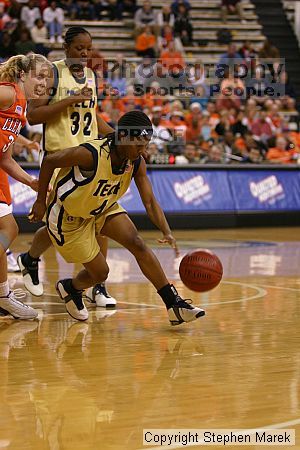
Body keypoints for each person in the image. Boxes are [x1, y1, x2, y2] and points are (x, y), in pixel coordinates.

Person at [30, 110, 206, 325]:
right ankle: (71, 287)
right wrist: (40, 201)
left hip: (102, 208)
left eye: (146, 145)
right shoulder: (90, 154)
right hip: (69, 218)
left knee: (137, 243)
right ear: (122, 137)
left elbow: (149, 201)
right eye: (138, 145)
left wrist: (166, 231)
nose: (143, 151)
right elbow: (49, 161)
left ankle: (173, 304)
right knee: (101, 274)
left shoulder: (136, 161)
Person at [17, 26, 117, 309]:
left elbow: (91, 116)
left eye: (88, 48)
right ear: (66, 48)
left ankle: (99, 285)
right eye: (79, 48)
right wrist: (71, 99)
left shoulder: (92, 77)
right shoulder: (51, 73)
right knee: (62, 222)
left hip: (87, 158)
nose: (84, 53)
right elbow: (34, 116)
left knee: (97, 218)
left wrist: (118, 137)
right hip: (58, 158)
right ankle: (30, 258)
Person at [0, 53, 50, 319]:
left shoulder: (20, 109)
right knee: (8, 229)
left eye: (47, 79)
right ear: (22, 75)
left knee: (8, 229)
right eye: (39, 76)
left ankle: (3, 297)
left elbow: (5, 158)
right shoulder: (8, 93)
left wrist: (31, 181)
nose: (43, 83)